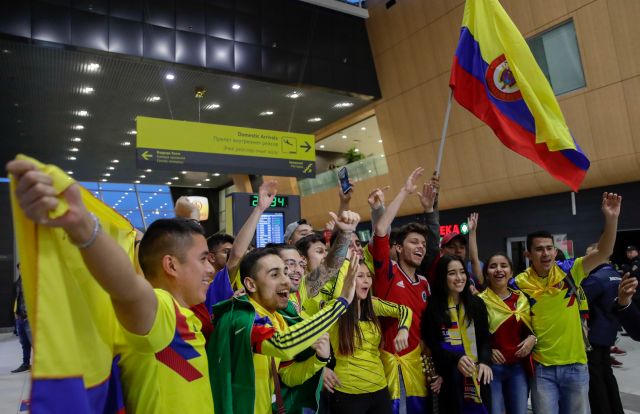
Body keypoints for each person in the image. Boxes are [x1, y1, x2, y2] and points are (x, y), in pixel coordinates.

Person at [7, 159, 216, 413]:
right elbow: (128, 289)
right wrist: (84, 228)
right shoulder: (164, 311)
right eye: (204, 259)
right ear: (171, 266)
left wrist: (190, 220)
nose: (211, 269)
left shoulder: (185, 314)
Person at [207, 235, 359, 414]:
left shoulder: (277, 319)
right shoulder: (241, 318)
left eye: (285, 273)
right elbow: (282, 344)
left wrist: (318, 360)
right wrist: (340, 304)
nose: (286, 280)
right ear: (251, 284)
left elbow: (288, 376)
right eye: (275, 274)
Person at [513, 192, 622, 414]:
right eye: (539, 249)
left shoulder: (569, 271)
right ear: (528, 254)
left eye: (549, 248)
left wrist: (611, 219)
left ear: (555, 250)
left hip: (576, 366)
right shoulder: (519, 283)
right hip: (543, 369)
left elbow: (604, 251)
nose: (546, 253)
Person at [368, 167, 439, 414]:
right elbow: (380, 231)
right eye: (414, 242)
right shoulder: (387, 274)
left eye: (423, 243)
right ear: (397, 248)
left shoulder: (424, 284)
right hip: (389, 364)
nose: (421, 247)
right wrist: (404, 192)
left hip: (419, 367)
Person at [326, 261, 412, 414]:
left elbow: (405, 311)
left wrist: (403, 329)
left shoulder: (372, 304)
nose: (366, 280)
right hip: (347, 395)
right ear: (347, 280)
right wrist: (322, 370)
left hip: (380, 391)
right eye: (360, 276)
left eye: (368, 276)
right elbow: (312, 337)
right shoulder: (335, 307)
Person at [422, 255, 492, 413]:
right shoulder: (433, 307)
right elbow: (433, 345)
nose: (459, 277)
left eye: (462, 272)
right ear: (442, 277)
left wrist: (485, 362)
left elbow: (485, 340)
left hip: (477, 377)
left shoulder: (477, 304)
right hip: (449, 379)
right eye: (452, 273)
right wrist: (457, 358)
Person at [478, 254, 534, 414]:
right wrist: (488, 351)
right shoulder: (479, 301)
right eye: (493, 266)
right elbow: (474, 336)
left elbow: (531, 330)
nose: (499, 270)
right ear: (486, 273)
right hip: (492, 368)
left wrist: (532, 338)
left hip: (517, 368)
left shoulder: (521, 299)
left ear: (511, 272)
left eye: (503, 265)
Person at [581, 243, 624, 414]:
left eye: (589, 255)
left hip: (594, 335)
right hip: (609, 332)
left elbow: (577, 301)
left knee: (596, 379)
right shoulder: (616, 275)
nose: (586, 259)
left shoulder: (596, 279)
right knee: (607, 374)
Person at [12, 263, 32, 374]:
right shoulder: (18, 283)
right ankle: (26, 364)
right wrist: (15, 313)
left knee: (33, 342)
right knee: (24, 343)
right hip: (19, 317)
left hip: (29, 317)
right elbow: (16, 299)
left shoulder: (32, 282)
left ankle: (39, 365)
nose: (21, 270)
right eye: (19, 269)